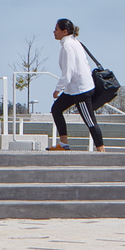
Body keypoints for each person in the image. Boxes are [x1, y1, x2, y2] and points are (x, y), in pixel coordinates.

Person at [49, 17, 106, 153]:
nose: (53, 32)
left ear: (64, 31)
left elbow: (68, 72)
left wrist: (57, 89)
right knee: (56, 109)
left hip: (81, 90)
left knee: (90, 121)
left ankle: (102, 151)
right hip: (73, 89)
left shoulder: (68, 46)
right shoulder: (74, 42)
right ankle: (64, 144)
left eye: (56, 29)